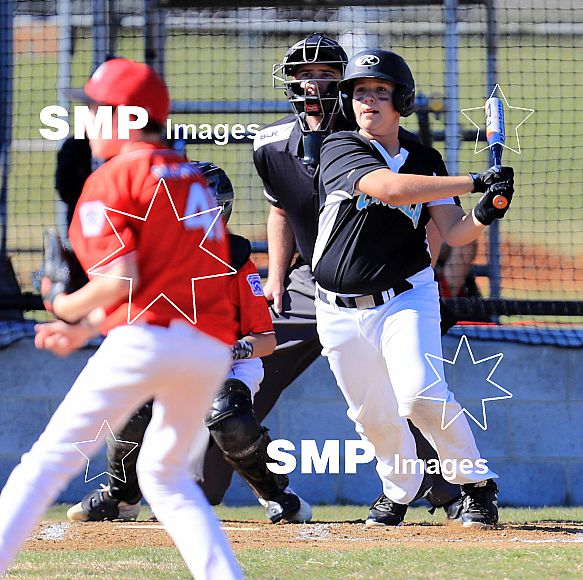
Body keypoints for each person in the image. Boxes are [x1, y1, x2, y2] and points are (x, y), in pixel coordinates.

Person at [0, 58, 242, 578]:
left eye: (96, 110)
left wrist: (63, 306)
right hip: (207, 346)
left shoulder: (114, 175)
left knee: (46, 464)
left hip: (148, 339)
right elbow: (157, 279)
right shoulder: (190, 177)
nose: (88, 121)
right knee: (165, 475)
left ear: (127, 117)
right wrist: (85, 329)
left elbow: (119, 279)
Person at [251, 33, 464, 517]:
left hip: (386, 279)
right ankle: (204, 489)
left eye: (327, 75)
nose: (314, 84)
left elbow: (426, 207)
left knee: (408, 393)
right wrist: (276, 277)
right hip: (310, 280)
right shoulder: (269, 143)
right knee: (247, 379)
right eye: (304, 75)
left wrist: (418, 272)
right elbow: (280, 211)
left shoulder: (372, 134)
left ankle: (450, 491)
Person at [313, 48, 514, 528]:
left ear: (402, 101)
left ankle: (476, 485)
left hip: (405, 296)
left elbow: (455, 232)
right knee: (372, 416)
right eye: (360, 92)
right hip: (336, 309)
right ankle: (398, 489)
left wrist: (487, 208)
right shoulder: (340, 147)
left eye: (381, 92)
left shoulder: (425, 158)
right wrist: (473, 180)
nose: (368, 101)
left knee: (421, 394)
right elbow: (389, 188)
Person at [64, 162, 312, 525]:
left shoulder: (235, 261)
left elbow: (266, 341)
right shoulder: (152, 259)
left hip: (228, 364)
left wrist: (229, 350)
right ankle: (121, 498)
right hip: (172, 359)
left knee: (227, 413)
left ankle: (277, 495)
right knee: (130, 408)